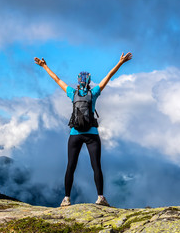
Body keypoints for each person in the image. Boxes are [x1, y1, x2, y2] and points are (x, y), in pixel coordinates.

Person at [34, 52, 132, 207]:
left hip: (75, 134)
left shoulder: (72, 93)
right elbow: (109, 75)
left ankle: (66, 199)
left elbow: (57, 79)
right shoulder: (93, 93)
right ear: (89, 82)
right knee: (96, 166)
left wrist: (44, 66)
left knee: (70, 166)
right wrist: (120, 62)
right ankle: (100, 197)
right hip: (92, 134)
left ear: (78, 82)